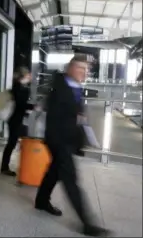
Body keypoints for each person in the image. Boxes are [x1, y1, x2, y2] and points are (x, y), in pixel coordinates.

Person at [35, 55, 110, 236]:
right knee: (71, 180)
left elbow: (73, 115)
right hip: (58, 140)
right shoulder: (60, 87)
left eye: (86, 69)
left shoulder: (74, 86)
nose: (84, 73)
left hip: (66, 139)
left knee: (54, 171)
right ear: (70, 68)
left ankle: (41, 201)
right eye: (80, 68)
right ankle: (87, 224)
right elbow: (53, 117)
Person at [1, 67, 34, 176]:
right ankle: (4, 167)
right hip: (14, 119)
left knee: (13, 142)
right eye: (29, 75)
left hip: (16, 118)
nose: (30, 76)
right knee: (11, 143)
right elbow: (21, 105)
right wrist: (34, 106)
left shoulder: (20, 87)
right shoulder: (19, 88)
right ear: (24, 76)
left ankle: (6, 166)